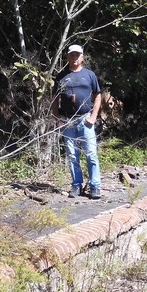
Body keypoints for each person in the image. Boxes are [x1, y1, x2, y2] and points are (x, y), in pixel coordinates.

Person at [52, 44, 102, 199]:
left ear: (82, 57)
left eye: (77, 55)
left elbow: (98, 95)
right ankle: (76, 186)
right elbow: (54, 99)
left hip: (85, 120)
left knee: (91, 154)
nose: (74, 58)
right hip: (68, 121)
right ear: (67, 57)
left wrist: (93, 117)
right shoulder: (61, 76)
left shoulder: (89, 75)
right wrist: (56, 118)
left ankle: (95, 187)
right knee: (72, 155)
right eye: (72, 55)